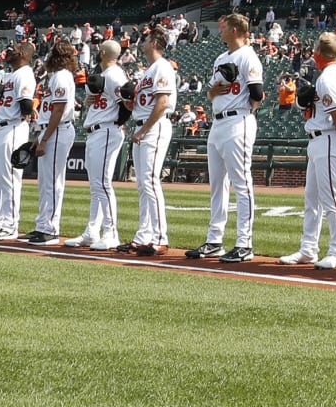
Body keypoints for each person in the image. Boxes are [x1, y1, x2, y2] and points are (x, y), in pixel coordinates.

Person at [189, 14, 264, 263]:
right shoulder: (221, 58)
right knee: (217, 185)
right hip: (218, 122)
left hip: (238, 120)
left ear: (234, 30)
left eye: (224, 27)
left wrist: (247, 107)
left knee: (241, 184)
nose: (220, 30)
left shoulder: (248, 56)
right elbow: (211, 93)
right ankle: (214, 240)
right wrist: (214, 91)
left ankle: (245, 243)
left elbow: (257, 93)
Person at [281, 33, 336, 269]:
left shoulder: (327, 78)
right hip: (319, 140)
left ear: (318, 53)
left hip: (329, 138)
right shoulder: (329, 75)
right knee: (312, 200)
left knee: (330, 198)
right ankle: (308, 249)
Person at [120, 30, 179, 257]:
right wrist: (131, 106)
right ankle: (144, 235)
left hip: (154, 127)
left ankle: (160, 237)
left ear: (154, 42)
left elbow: (163, 103)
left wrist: (144, 130)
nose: (142, 43)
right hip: (142, 125)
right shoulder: (149, 71)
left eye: (145, 39)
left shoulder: (162, 66)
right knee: (143, 184)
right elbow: (146, 102)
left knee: (150, 181)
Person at [0, 41, 37, 242]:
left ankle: (11, 225)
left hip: (12, 128)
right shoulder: (12, 75)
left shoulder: (24, 73)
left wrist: (30, 113)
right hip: (0, 128)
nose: (9, 50)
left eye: (13, 48)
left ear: (21, 52)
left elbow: (26, 105)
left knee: (10, 179)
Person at [24, 41, 79, 247]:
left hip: (59, 130)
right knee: (45, 182)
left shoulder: (62, 77)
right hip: (52, 129)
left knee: (53, 182)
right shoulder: (57, 77)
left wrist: (45, 138)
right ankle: (42, 225)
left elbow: (58, 111)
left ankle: (50, 229)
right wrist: (41, 136)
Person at [75, 40, 127, 251]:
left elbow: (127, 104)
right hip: (98, 130)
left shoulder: (115, 75)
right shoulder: (106, 75)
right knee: (96, 186)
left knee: (103, 184)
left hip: (106, 130)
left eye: (99, 49)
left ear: (104, 53)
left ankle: (111, 233)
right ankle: (92, 231)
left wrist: (114, 122)